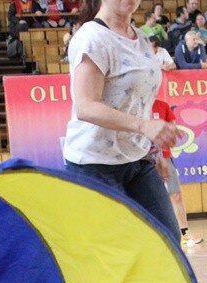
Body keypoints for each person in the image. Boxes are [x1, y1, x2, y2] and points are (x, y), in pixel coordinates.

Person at [63, 0, 182, 243]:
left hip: (138, 160)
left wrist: (153, 150)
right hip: (94, 164)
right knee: (111, 252)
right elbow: (86, 107)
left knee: (167, 241)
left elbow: (140, 101)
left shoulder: (141, 39)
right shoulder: (92, 38)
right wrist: (144, 127)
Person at [152, 99, 201, 246]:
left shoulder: (162, 106)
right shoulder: (136, 105)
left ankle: (184, 234)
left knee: (175, 194)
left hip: (164, 157)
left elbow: (171, 130)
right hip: (143, 158)